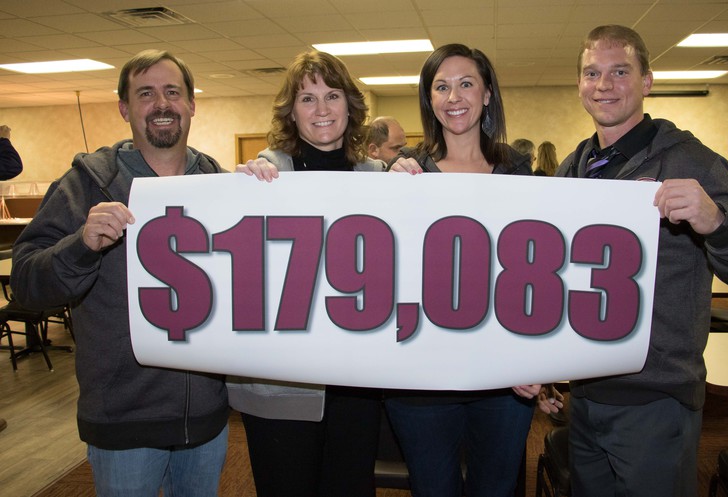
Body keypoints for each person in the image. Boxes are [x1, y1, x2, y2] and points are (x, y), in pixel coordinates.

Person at [515, 25, 728, 497]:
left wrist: (716, 220)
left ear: (647, 81)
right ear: (579, 84)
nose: (604, 84)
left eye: (619, 71)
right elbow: (561, 277)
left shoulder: (692, 162)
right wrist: (544, 361)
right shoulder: (576, 167)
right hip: (588, 391)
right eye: (592, 73)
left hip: (657, 397)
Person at [9, 50, 230, 496]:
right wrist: (81, 245)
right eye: (145, 94)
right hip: (123, 420)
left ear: (191, 104)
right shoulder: (84, 185)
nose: (162, 104)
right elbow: (26, 284)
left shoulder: (220, 184)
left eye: (173, 92)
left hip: (206, 418)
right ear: (125, 109)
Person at [227, 50, 384, 497]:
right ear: (290, 112)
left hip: (356, 382)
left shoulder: (377, 177)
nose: (322, 110)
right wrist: (241, 194)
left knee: (351, 488)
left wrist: (408, 177)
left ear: (350, 106)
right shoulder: (266, 175)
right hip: (283, 385)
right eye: (307, 98)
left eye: (332, 95)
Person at [386, 43, 536, 497]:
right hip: (422, 376)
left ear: (487, 94)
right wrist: (388, 198)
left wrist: (541, 358)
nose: (455, 97)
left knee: (497, 488)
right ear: (429, 100)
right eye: (442, 86)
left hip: (503, 375)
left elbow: (535, 274)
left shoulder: (517, 171)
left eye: (466, 83)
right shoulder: (405, 173)